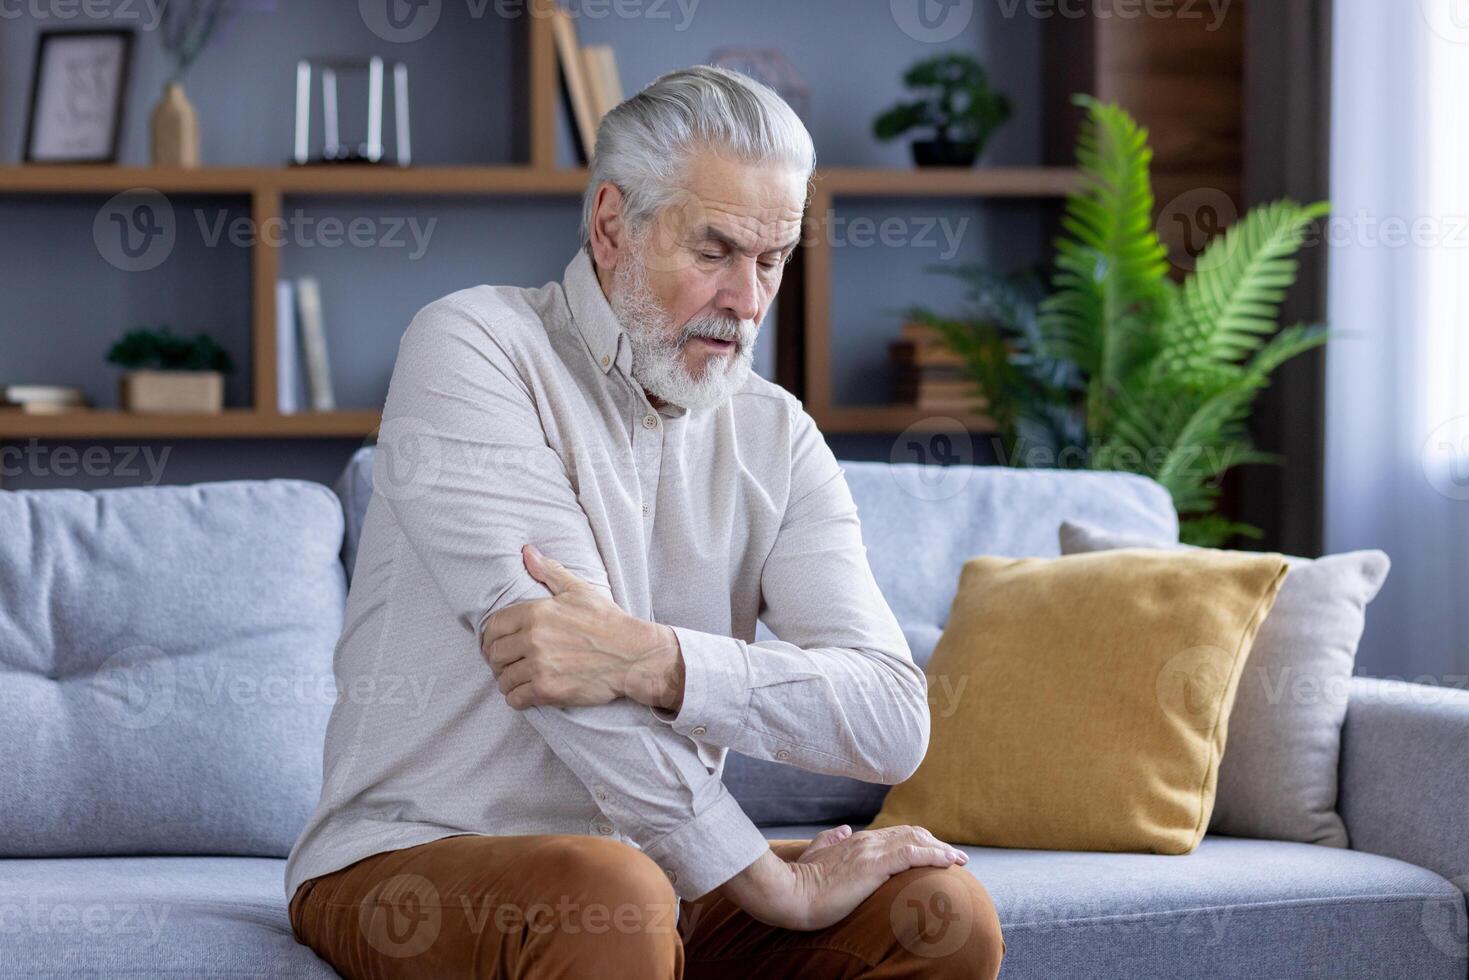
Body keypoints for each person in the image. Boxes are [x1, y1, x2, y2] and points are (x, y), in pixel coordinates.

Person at [284, 64, 1005, 979]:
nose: (747, 302)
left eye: (771, 260)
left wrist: (660, 661)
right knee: (611, 894)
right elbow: (557, 676)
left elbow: (892, 721)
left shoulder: (775, 433)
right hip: (414, 856)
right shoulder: (472, 347)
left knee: (940, 911)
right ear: (612, 225)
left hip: (664, 877)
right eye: (714, 251)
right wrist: (772, 886)